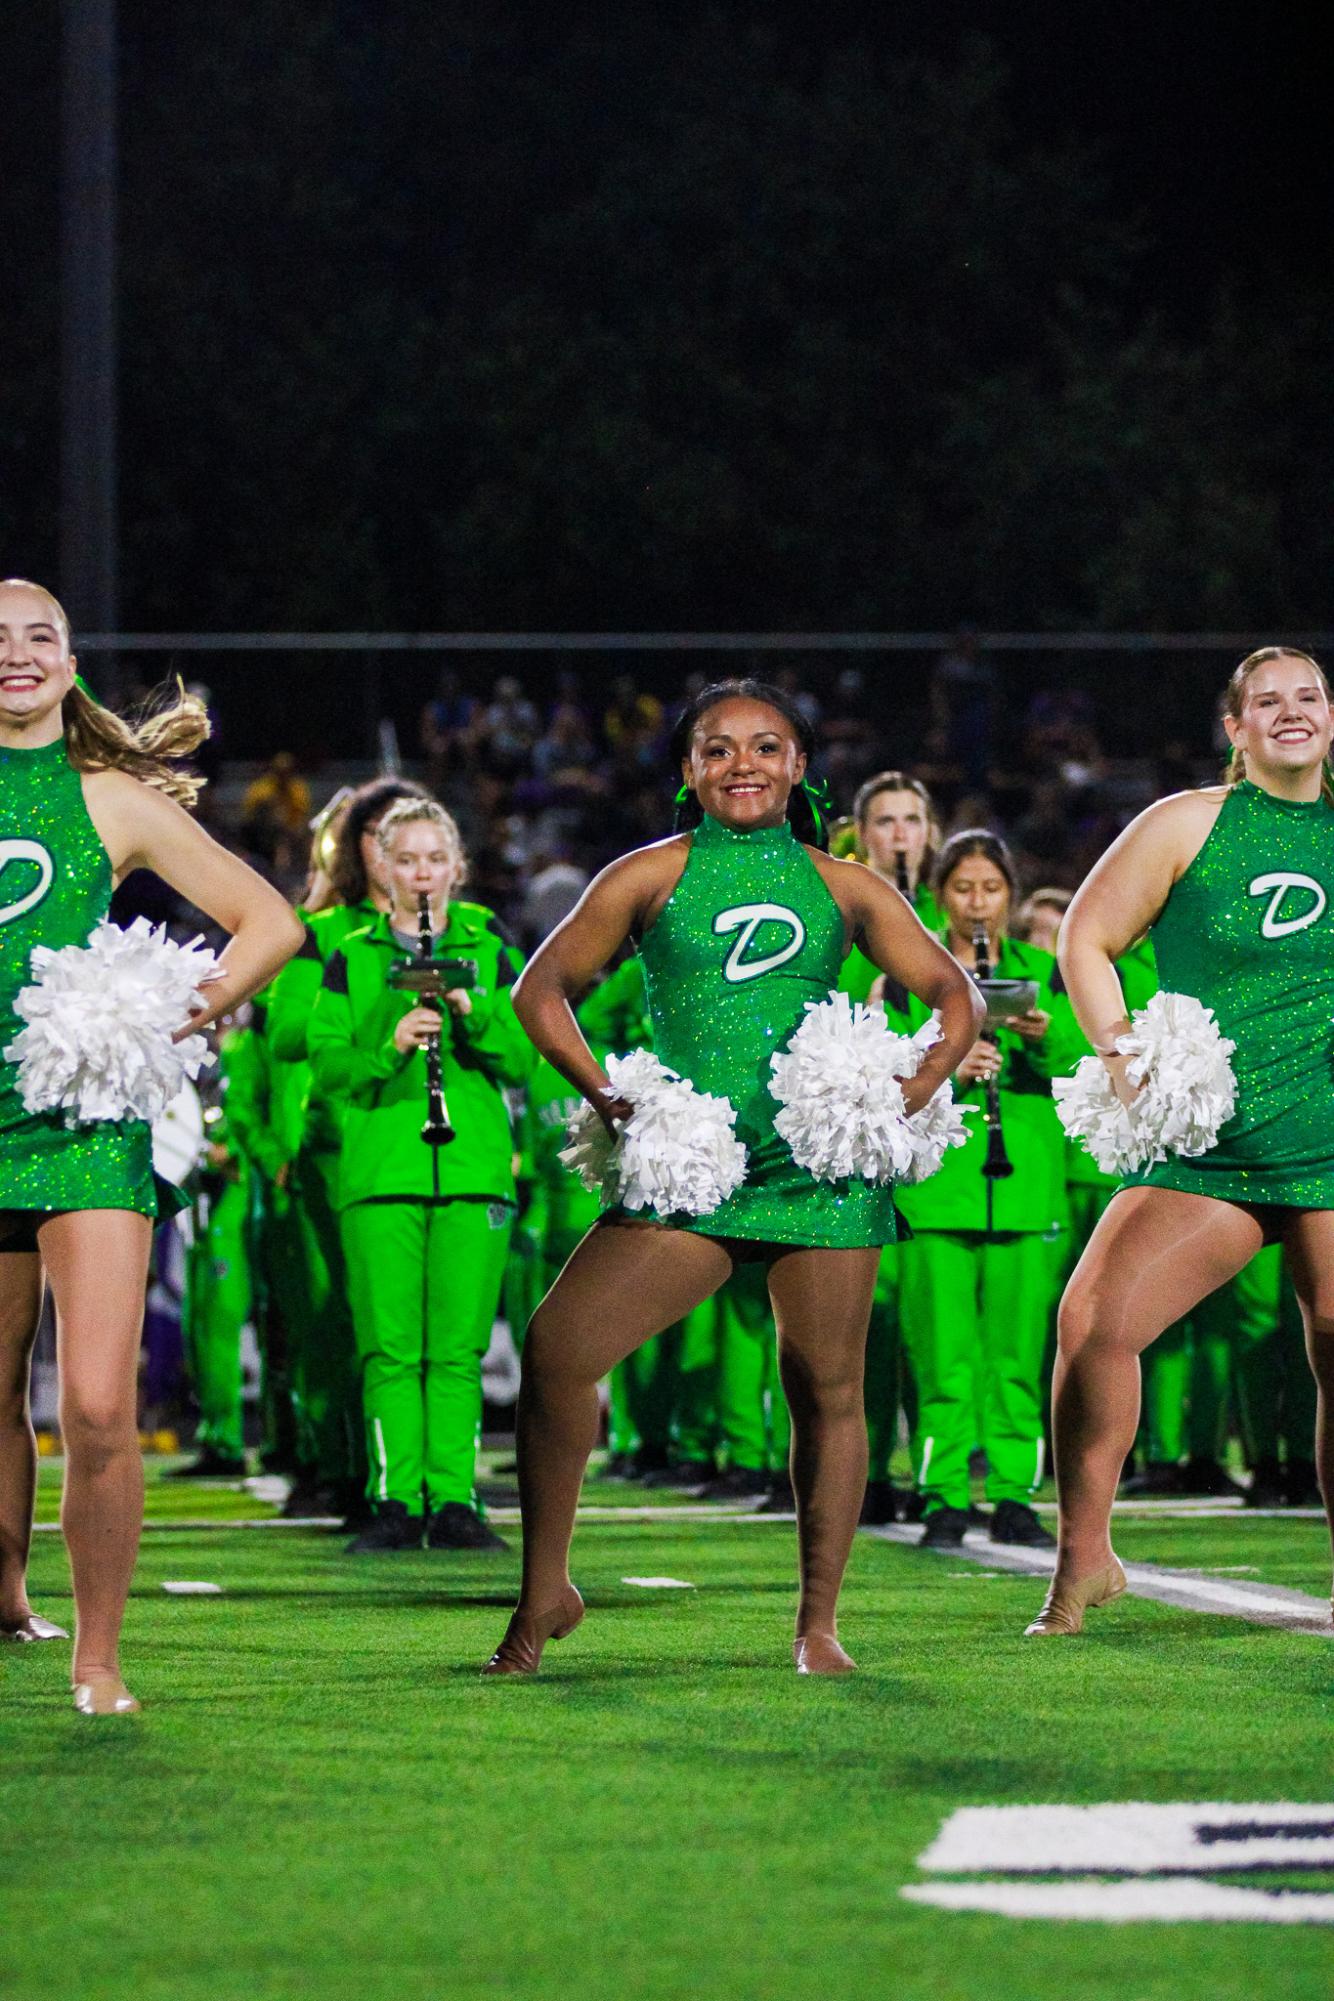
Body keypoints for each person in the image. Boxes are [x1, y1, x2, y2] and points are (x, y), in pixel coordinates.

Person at [482, 678, 982, 1677]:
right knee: (556, 1348)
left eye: (764, 747)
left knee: (826, 1388)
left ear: (800, 768)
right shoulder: (647, 876)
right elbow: (539, 989)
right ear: (685, 771)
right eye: (715, 749)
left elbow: (948, 991)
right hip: (693, 1166)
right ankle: (546, 1587)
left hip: (815, 1172)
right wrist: (605, 1092)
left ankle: (817, 1624)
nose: (740, 764)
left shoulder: (843, 886)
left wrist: (912, 1086)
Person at [0, 579, 301, 1714]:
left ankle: (98, 1656)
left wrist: (176, 1009)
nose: (17, 655)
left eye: (41, 638)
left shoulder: (112, 798)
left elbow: (271, 921)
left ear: (71, 665)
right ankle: (9, 1593)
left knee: (95, 1404)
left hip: (80, 1122)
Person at [1028, 646, 1334, 1635]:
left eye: (1309, 696)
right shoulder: (1184, 823)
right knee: (1091, 1322)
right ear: (1233, 728)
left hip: (1330, 1141)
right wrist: (1117, 1049)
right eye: (1266, 701)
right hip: (1216, 1144)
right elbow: (1085, 938)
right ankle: (1083, 1557)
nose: (1291, 712)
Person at [308, 798, 533, 1551]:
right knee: (391, 1347)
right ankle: (395, 1498)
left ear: (457, 867)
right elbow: (327, 1061)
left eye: (435, 859)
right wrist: (390, 1042)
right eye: (407, 859)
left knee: (459, 1348)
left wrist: (472, 1013)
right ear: (383, 866)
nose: (422, 873)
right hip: (382, 1171)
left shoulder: (488, 944)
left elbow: (524, 1057)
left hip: (470, 1167)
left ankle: (457, 1499)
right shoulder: (353, 954)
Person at [887, 832, 1081, 1550]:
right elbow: (886, 1069)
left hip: (1026, 1187)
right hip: (938, 1191)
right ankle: (941, 1496)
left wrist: (1044, 1037)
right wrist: (947, 1064)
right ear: (941, 895)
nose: (978, 903)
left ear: (1011, 895)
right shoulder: (909, 972)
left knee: (1016, 1358)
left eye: (991, 889)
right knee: (941, 1357)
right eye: (963, 888)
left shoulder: (1047, 972)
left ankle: (1013, 1495)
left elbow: (1088, 1069)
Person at [264, 776, 431, 1519]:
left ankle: (421, 1480)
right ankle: (339, 1462)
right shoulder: (321, 935)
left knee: (421, 1320)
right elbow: (286, 1033)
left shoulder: (455, 927)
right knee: (337, 1315)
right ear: (357, 847)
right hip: (341, 1142)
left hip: (430, 1147)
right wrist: (366, 1001)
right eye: (377, 832)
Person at [838, 772, 943, 1523]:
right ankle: (864, 1476)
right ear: (860, 832)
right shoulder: (834, 909)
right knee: (861, 1323)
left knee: (933, 1331)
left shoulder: (958, 911)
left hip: (943, 1152)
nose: (900, 835)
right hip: (855, 1140)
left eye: (912, 820)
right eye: (886, 821)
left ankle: (939, 1478)